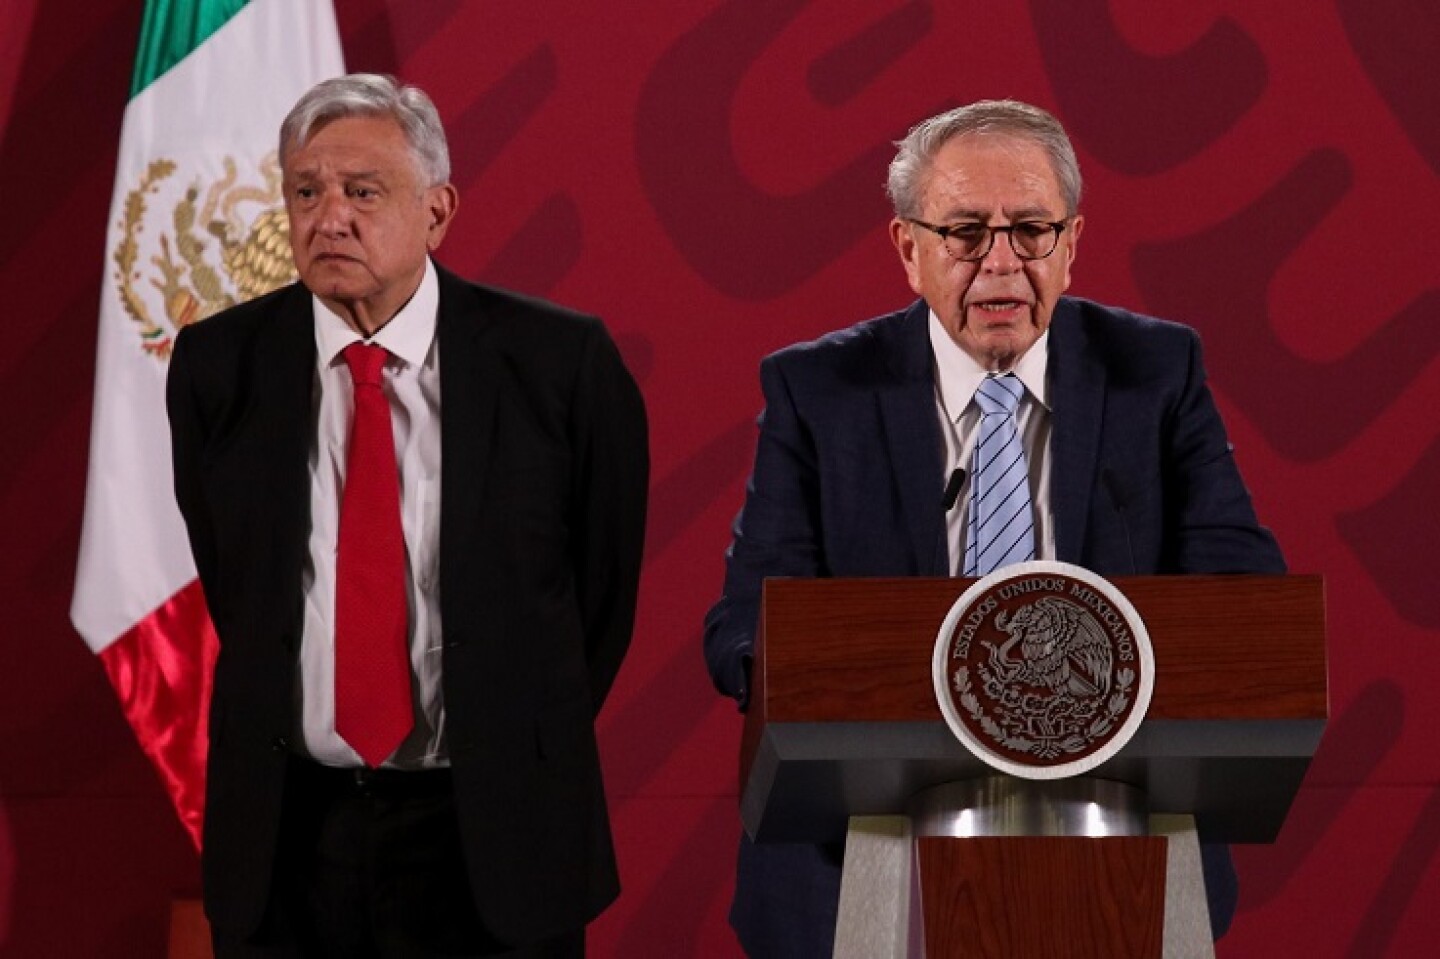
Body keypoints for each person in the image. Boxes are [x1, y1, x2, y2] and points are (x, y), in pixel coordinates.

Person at [703, 99, 1284, 957]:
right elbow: (741, 627)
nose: (1002, 262)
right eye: (966, 232)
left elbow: (1241, 595)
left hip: (1122, 844)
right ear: (908, 248)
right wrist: (838, 681)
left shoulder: (1156, 375)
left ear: (1073, 241)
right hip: (863, 858)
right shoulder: (817, 391)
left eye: (1032, 230)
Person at [167, 73, 648, 957]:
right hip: (287, 836)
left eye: (361, 192)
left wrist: (512, 722)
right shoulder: (216, 365)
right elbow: (239, 583)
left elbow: (600, 598)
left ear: (436, 211)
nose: (329, 218)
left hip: (491, 836)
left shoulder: (559, 363)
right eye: (305, 191)